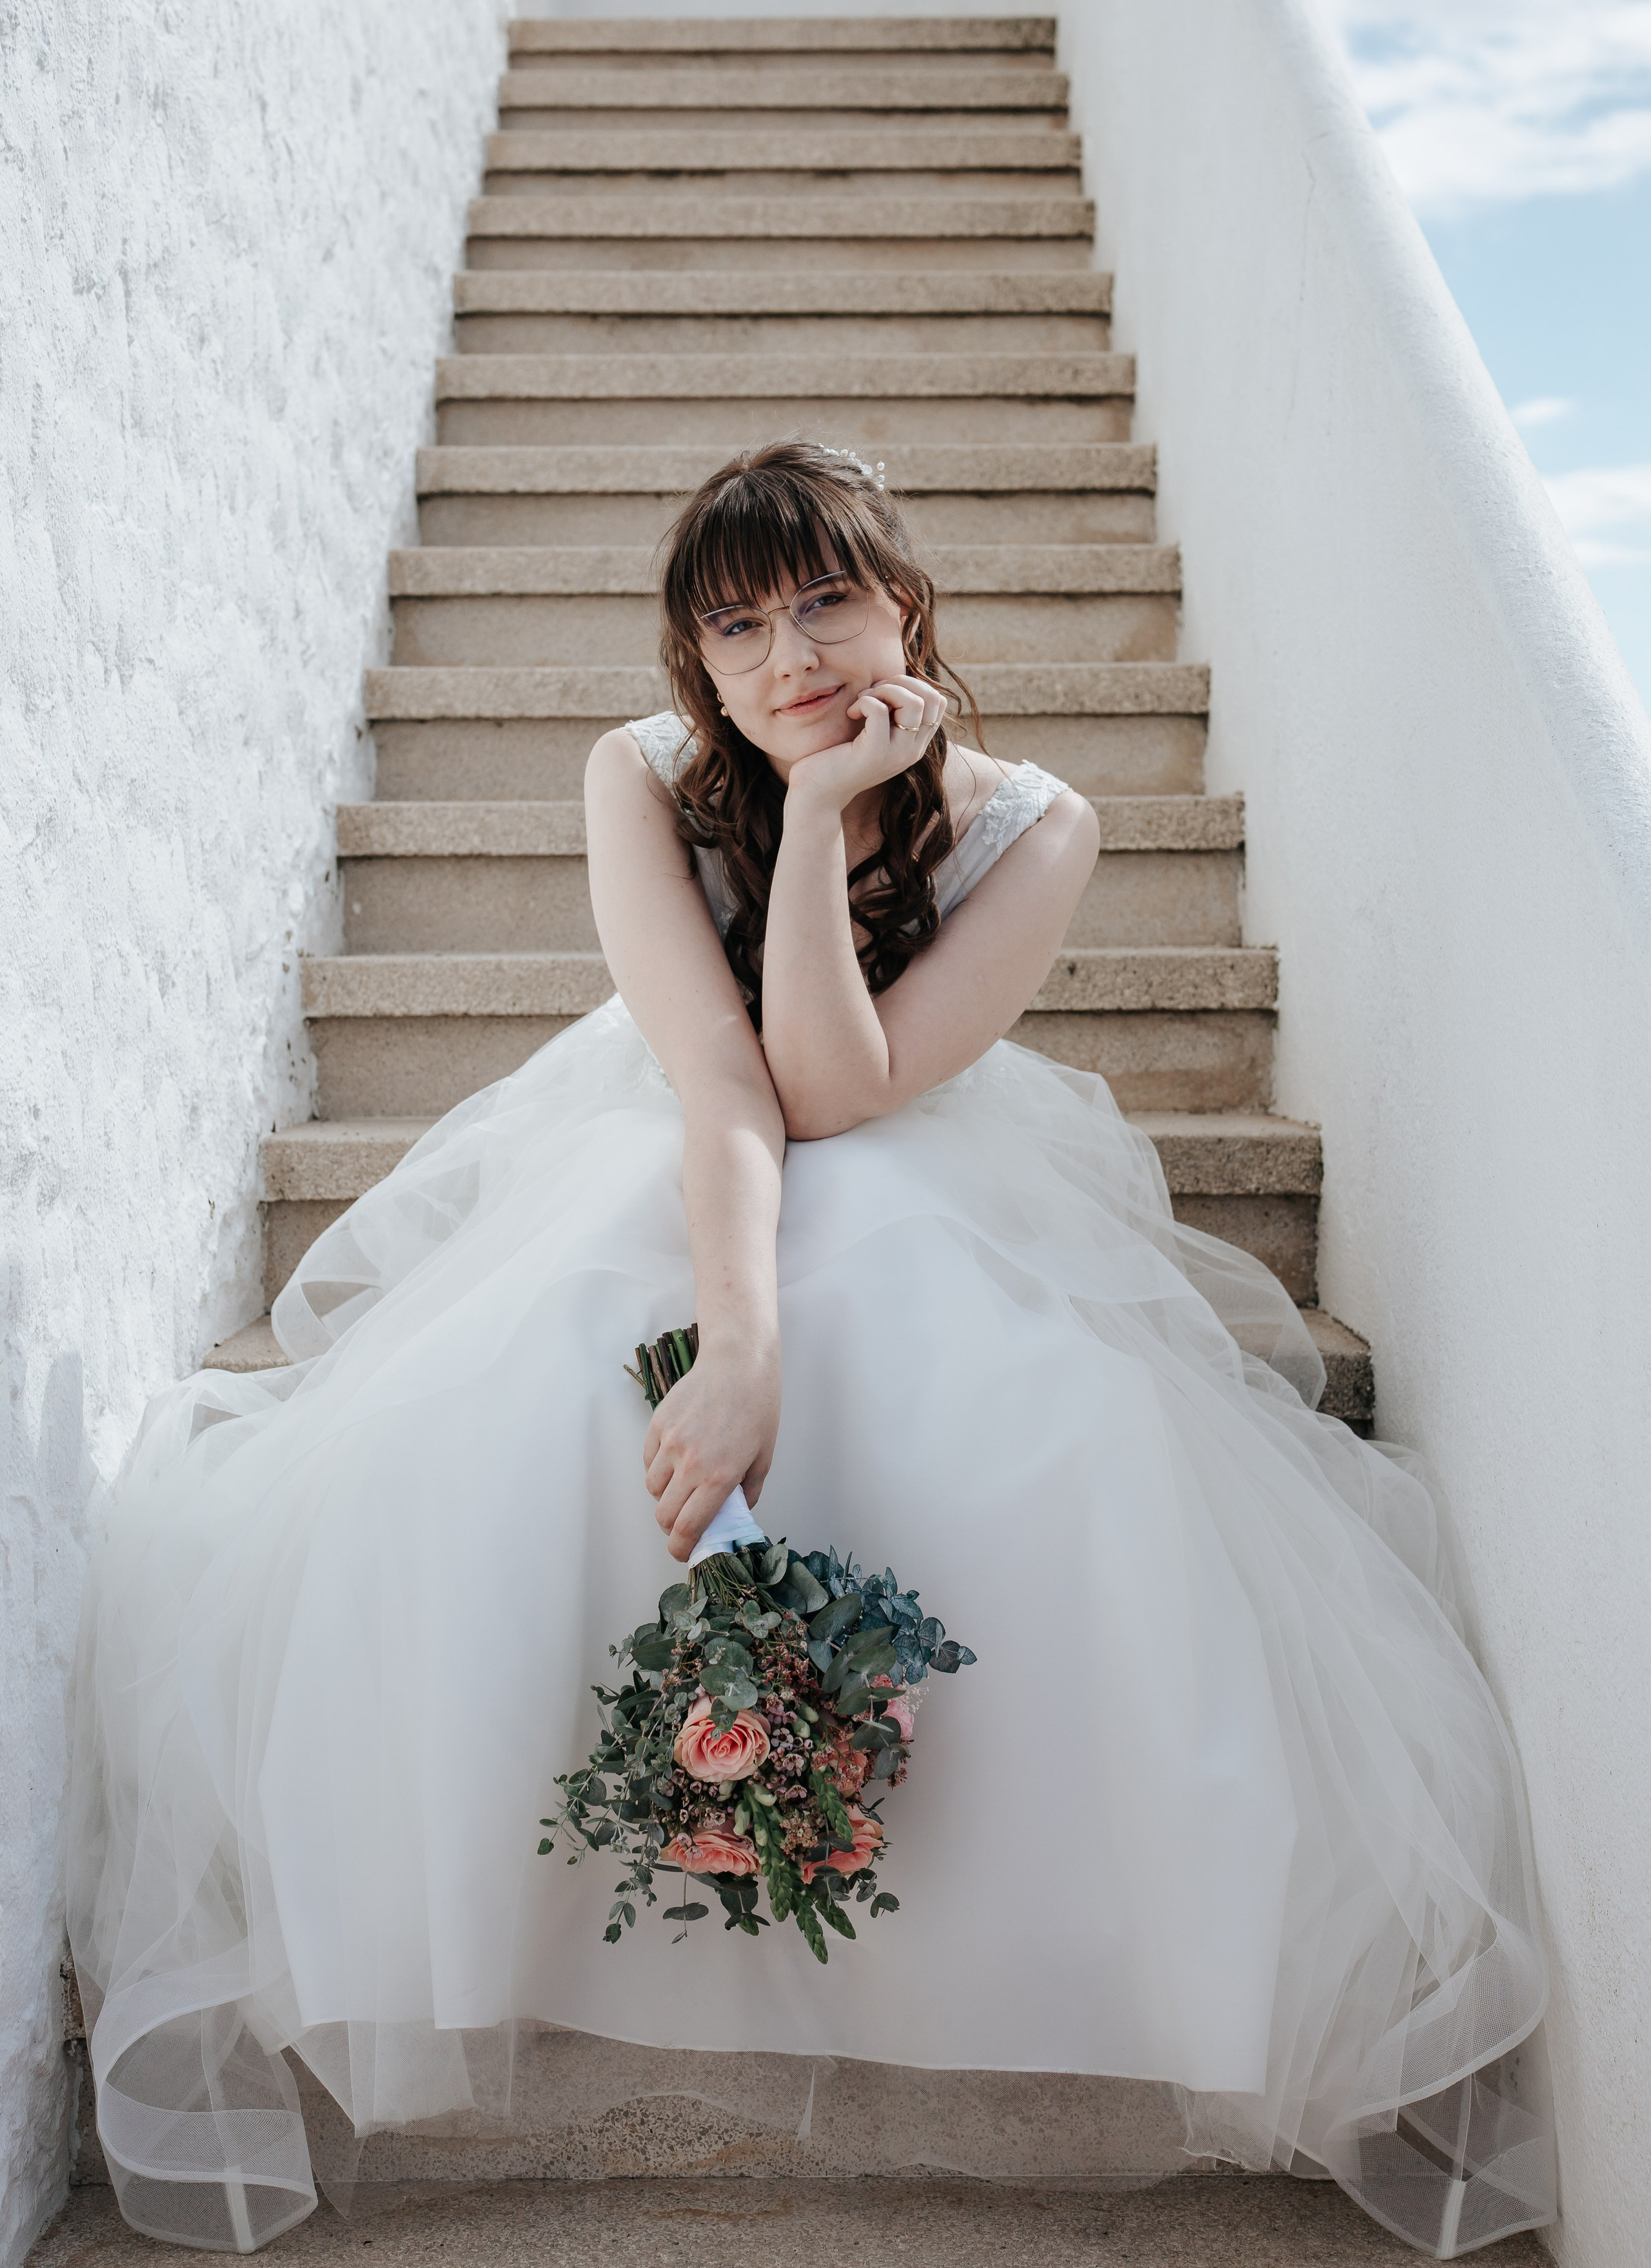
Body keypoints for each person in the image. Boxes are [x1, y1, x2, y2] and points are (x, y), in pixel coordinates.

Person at [66, 443, 1554, 2257]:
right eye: (739, 628)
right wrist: (739, 1349)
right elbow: (726, 1081)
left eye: (828, 605)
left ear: (904, 607)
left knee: (1032, 1404)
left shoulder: (1039, 824)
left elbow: (842, 1089)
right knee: (542, 1380)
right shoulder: (638, 776)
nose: (790, 660)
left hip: (906, 1128)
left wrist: (835, 811)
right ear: (696, 659)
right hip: (682, 1138)